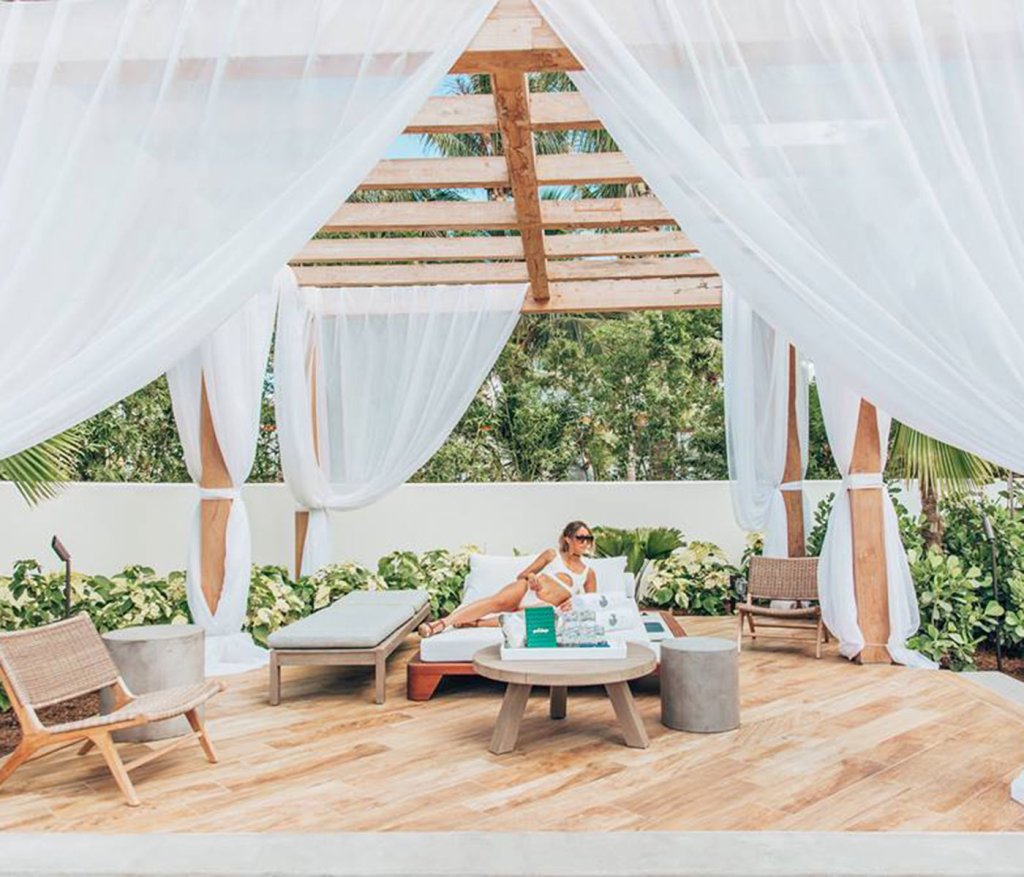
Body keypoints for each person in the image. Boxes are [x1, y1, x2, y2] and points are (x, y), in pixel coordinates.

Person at [417, 521, 598, 638]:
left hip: (544, 607)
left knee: (543, 618)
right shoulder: (552, 555)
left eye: (588, 538)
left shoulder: (588, 572)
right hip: (526, 590)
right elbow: (522, 575)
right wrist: (532, 577)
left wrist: (574, 600)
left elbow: (592, 602)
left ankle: (476, 623)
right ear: (568, 539)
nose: (585, 542)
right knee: (496, 602)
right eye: (580, 538)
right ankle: (440, 624)